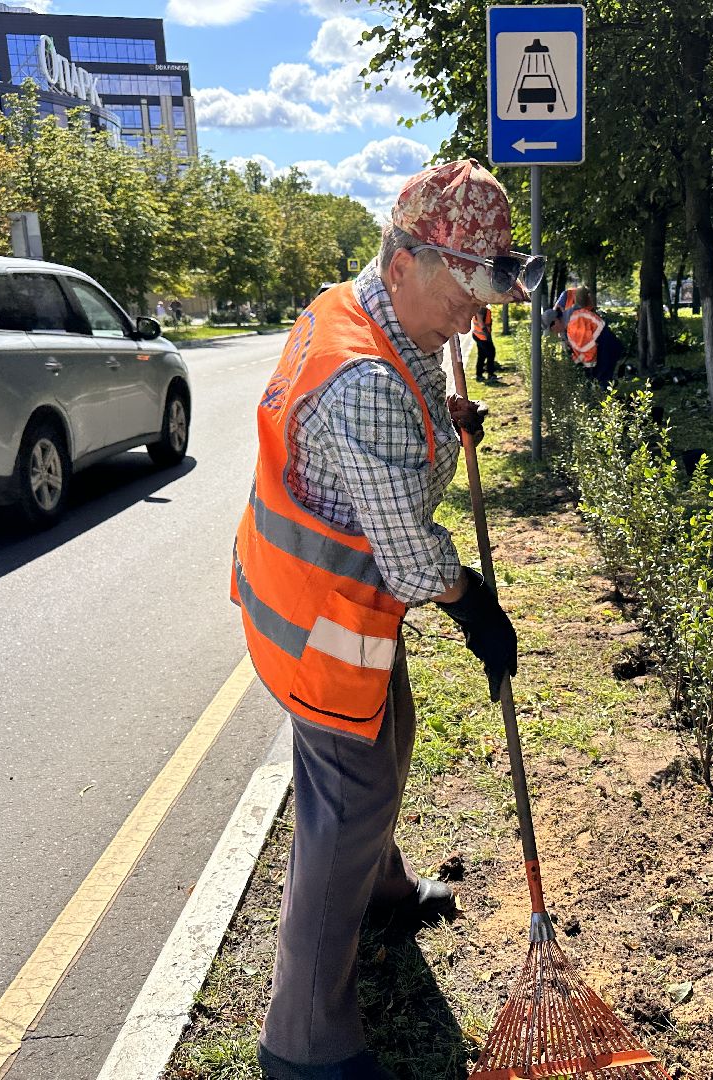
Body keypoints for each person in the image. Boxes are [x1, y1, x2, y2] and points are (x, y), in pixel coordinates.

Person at [231, 158, 542, 1080]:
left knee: (390, 736)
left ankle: (385, 889)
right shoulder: (363, 375)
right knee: (349, 796)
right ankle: (303, 1043)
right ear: (406, 259)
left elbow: (390, 423)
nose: (481, 312)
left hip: (325, 599)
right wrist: (475, 605)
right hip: (323, 614)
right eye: (471, 283)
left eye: (494, 283)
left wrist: (446, 419)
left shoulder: (361, 309)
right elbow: (411, 562)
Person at [565, 286, 606, 375]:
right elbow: (586, 342)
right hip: (589, 357)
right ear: (587, 297)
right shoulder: (580, 314)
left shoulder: (579, 312)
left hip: (585, 355)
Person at [471, 304, 497, 381]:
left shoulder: (481, 308)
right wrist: (488, 338)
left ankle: (479, 375)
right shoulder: (480, 310)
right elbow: (482, 325)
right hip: (482, 337)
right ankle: (490, 374)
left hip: (479, 336)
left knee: (482, 355)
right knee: (491, 353)